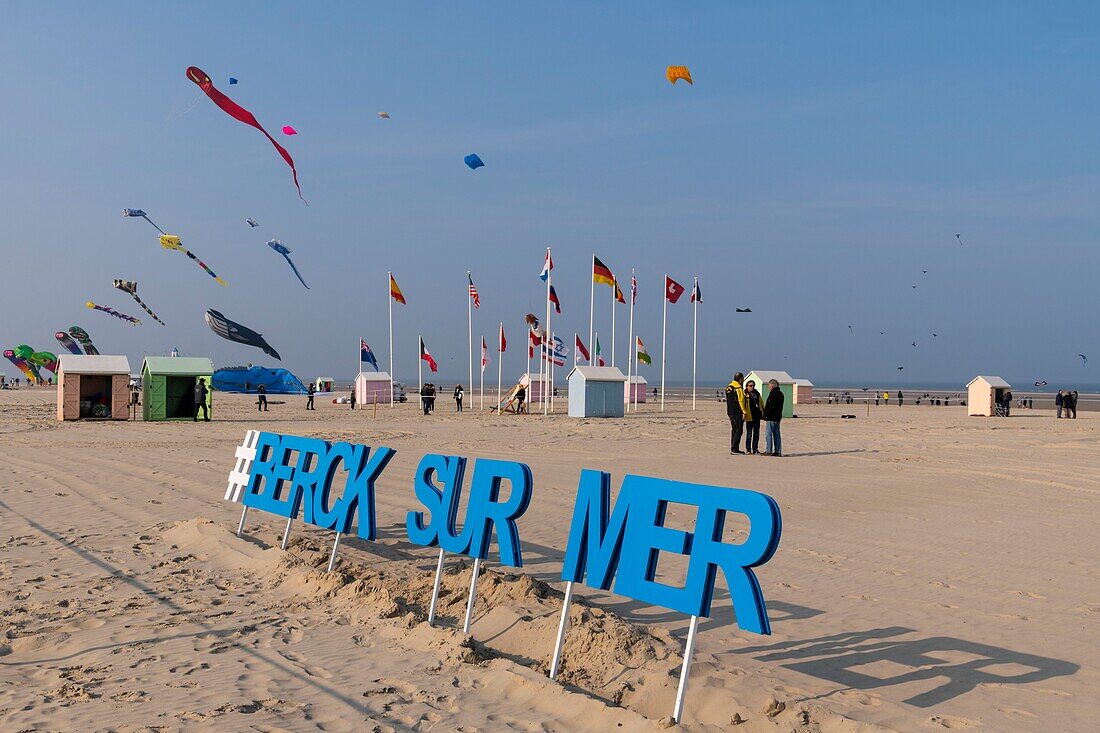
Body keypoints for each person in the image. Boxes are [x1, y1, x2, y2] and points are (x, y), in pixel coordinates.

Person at [725, 372, 750, 455]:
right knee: (738, 430)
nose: (743, 380)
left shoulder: (729, 387)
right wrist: (744, 412)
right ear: (740, 379)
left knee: (734, 430)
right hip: (737, 412)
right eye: (742, 379)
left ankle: (734, 448)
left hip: (730, 411)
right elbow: (741, 401)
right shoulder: (738, 388)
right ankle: (734, 449)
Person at [763, 378, 784, 456]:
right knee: (777, 435)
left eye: (769, 386)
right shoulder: (781, 393)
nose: (768, 387)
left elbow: (770, 406)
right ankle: (778, 451)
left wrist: (765, 414)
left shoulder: (773, 393)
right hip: (777, 417)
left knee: (768, 434)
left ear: (772, 385)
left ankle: (769, 450)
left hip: (771, 417)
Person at [743, 380, 764, 454]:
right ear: (747, 386)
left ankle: (755, 449)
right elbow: (742, 404)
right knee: (749, 434)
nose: (752, 387)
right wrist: (743, 413)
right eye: (750, 386)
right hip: (749, 416)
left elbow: (761, 402)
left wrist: (763, 411)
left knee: (756, 434)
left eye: (753, 385)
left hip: (757, 416)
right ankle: (748, 449)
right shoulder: (745, 394)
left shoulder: (757, 393)